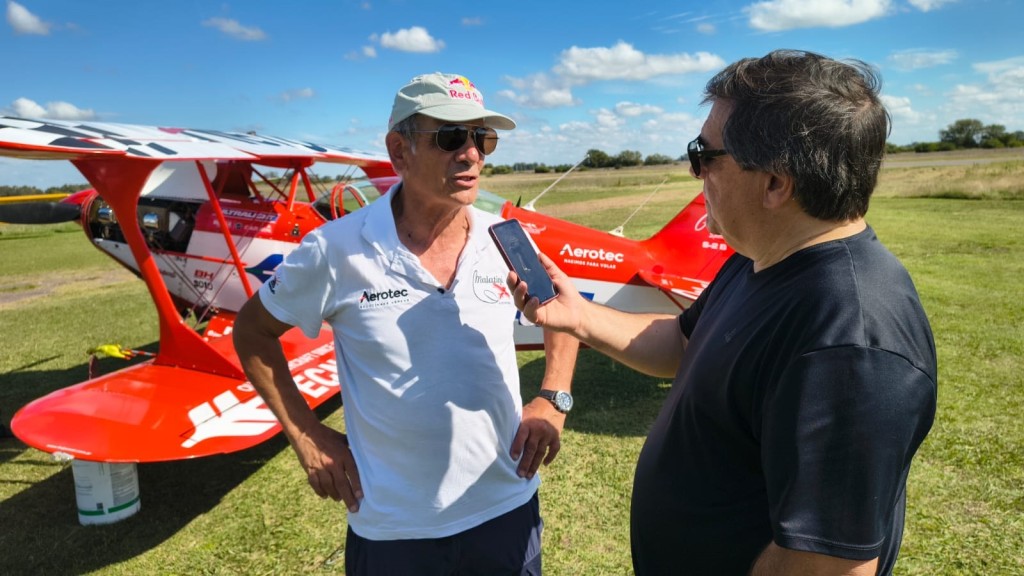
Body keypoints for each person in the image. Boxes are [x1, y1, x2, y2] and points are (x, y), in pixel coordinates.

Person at [508, 50, 937, 575]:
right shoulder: (760, 259)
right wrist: (576, 316)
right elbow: (684, 343)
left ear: (776, 183)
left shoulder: (852, 343)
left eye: (704, 155)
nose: (697, 172)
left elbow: (823, 564)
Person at [233, 72, 578, 575]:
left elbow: (559, 315)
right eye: (451, 137)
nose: (472, 155)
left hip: (507, 509)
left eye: (482, 138)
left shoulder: (505, 236)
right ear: (400, 151)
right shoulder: (333, 250)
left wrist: (554, 396)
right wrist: (306, 433)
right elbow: (252, 332)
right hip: (394, 532)